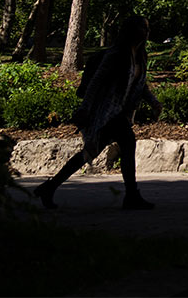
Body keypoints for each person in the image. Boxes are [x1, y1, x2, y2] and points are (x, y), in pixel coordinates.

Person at [33, 15, 162, 210]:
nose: (146, 32)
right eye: (142, 28)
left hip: (120, 112)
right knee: (128, 141)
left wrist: (154, 103)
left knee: (89, 152)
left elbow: (140, 85)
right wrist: (85, 108)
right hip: (105, 112)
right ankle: (132, 196)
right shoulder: (116, 54)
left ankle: (49, 187)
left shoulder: (140, 55)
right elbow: (96, 82)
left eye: (147, 28)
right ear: (130, 31)